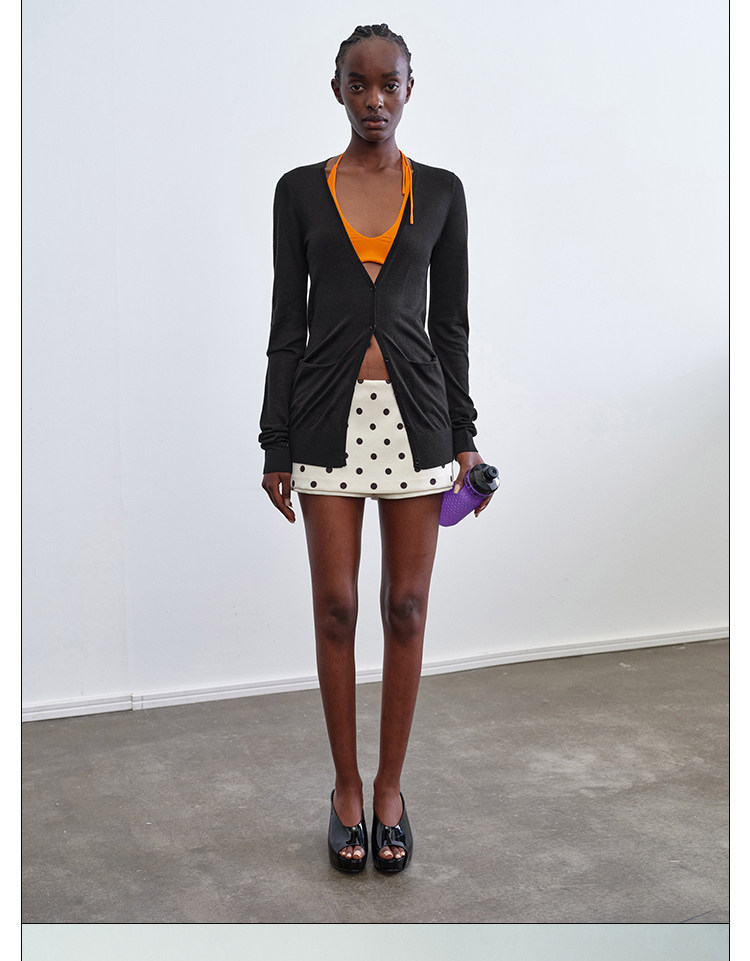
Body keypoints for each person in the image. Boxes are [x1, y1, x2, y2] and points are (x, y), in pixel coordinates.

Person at [259, 23, 492, 873]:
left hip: (417, 420)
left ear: (409, 88)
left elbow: (451, 326)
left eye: (388, 83)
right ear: (337, 91)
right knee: (336, 607)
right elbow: (287, 325)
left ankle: (390, 789)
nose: (374, 100)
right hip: (325, 419)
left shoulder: (442, 192)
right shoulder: (299, 191)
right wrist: (274, 441)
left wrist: (464, 439)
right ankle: (345, 789)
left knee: (406, 607)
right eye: (358, 84)